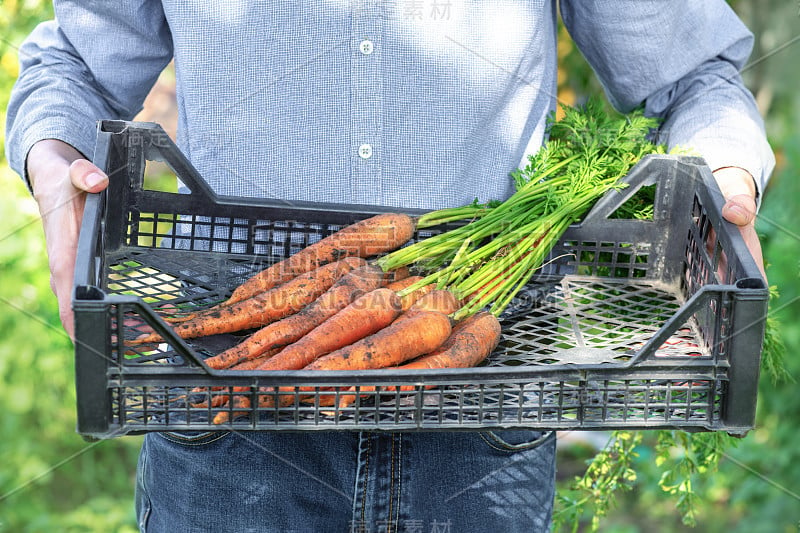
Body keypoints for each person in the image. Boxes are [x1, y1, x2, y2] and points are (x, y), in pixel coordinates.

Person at [5, 1, 773, 531]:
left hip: (483, 421)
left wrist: (728, 172)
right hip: (231, 420)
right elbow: (73, 60)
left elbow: (696, 77)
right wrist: (54, 160)